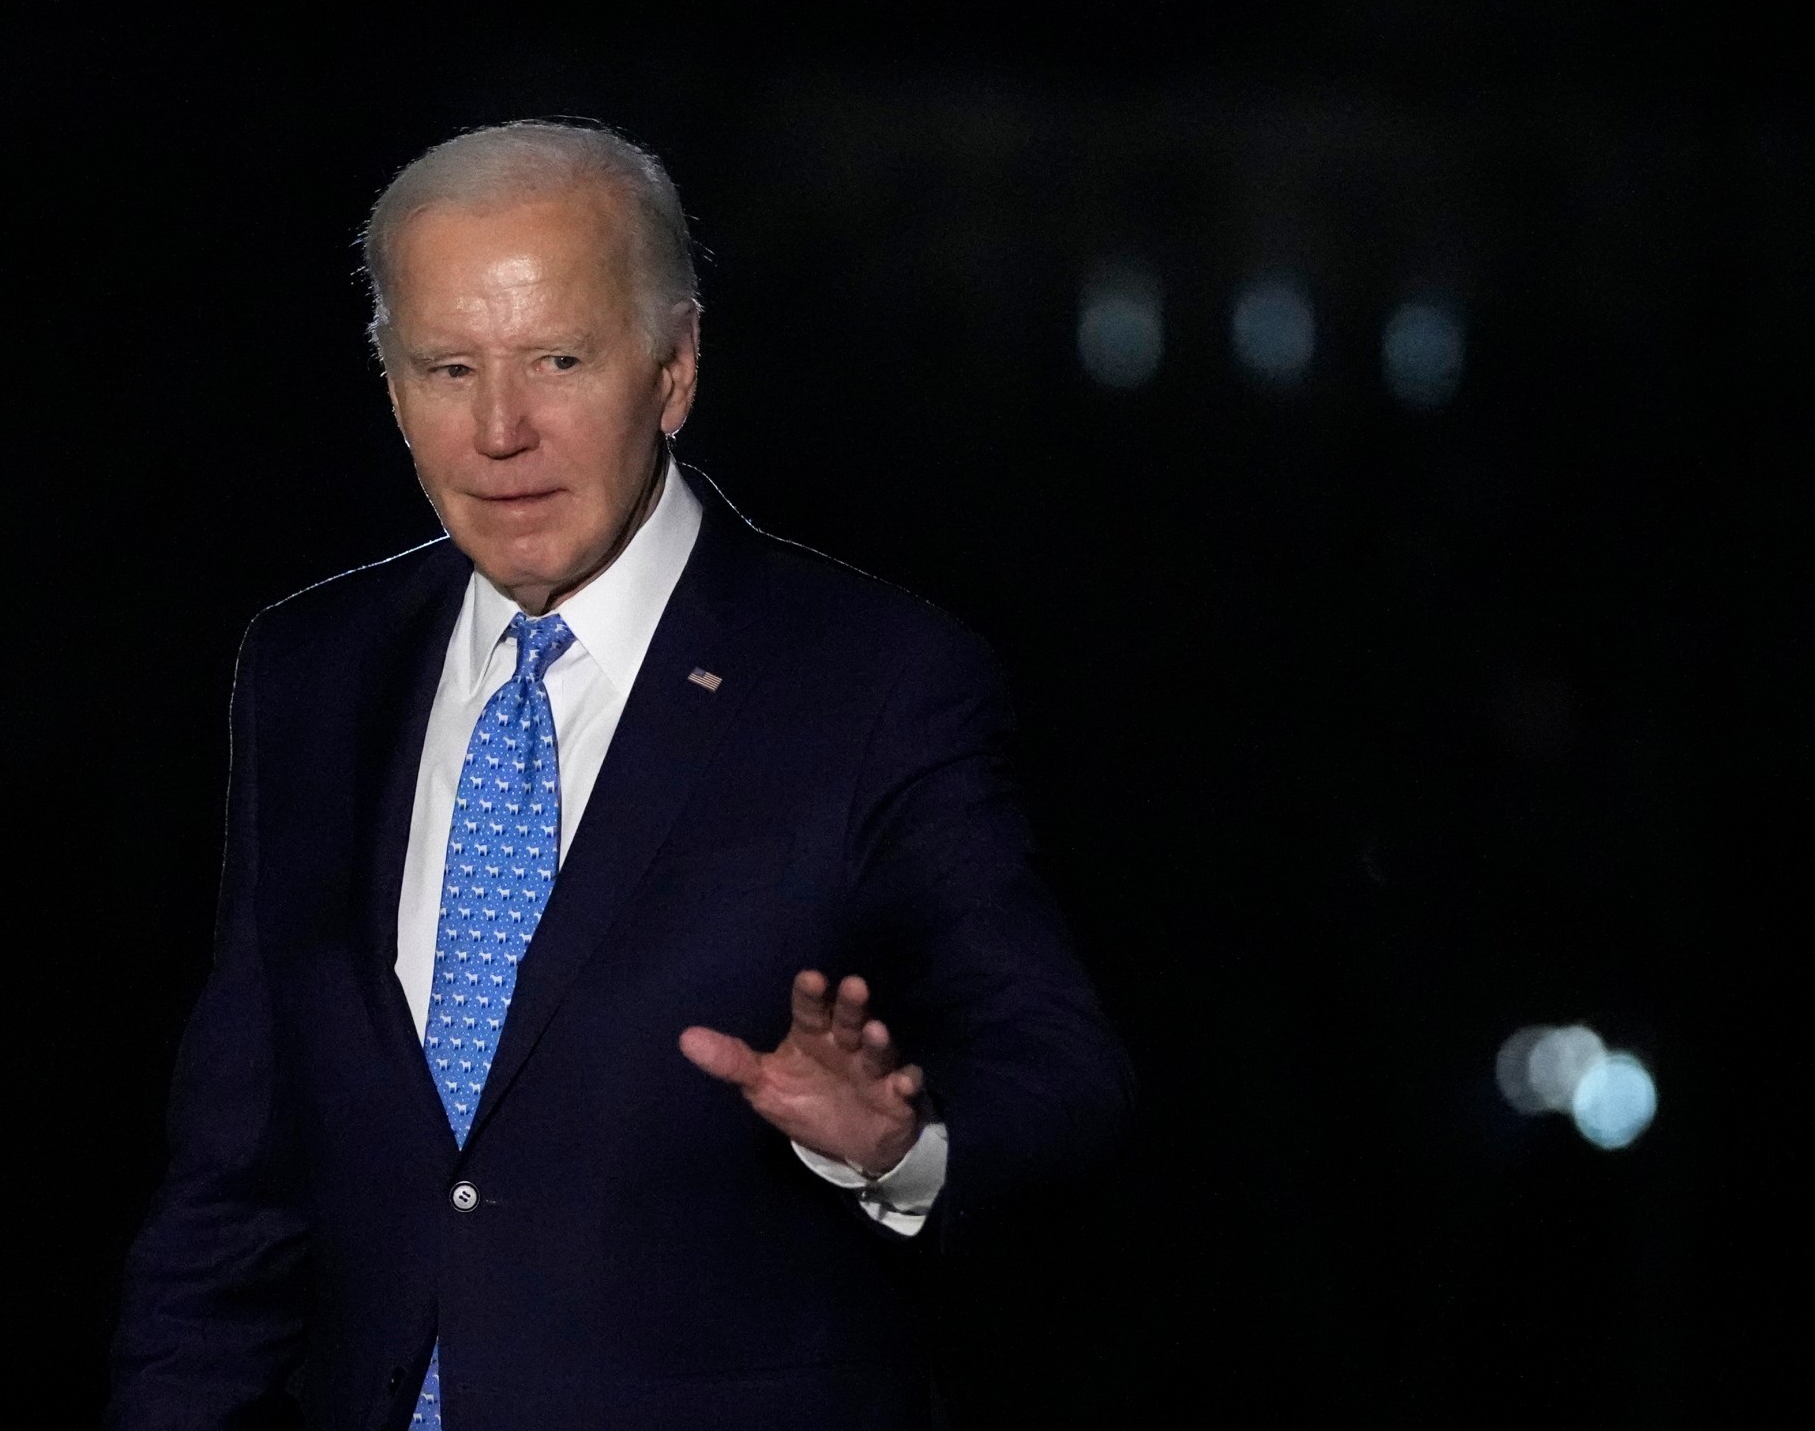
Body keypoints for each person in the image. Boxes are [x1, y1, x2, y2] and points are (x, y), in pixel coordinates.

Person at [109, 120, 1131, 1431]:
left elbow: (1060, 1064)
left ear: (674, 367)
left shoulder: (875, 678)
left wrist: (895, 1146)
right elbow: (234, 1178)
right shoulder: (313, 669)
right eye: (446, 367)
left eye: (557, 360)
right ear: (390, 387)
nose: (499, 430)